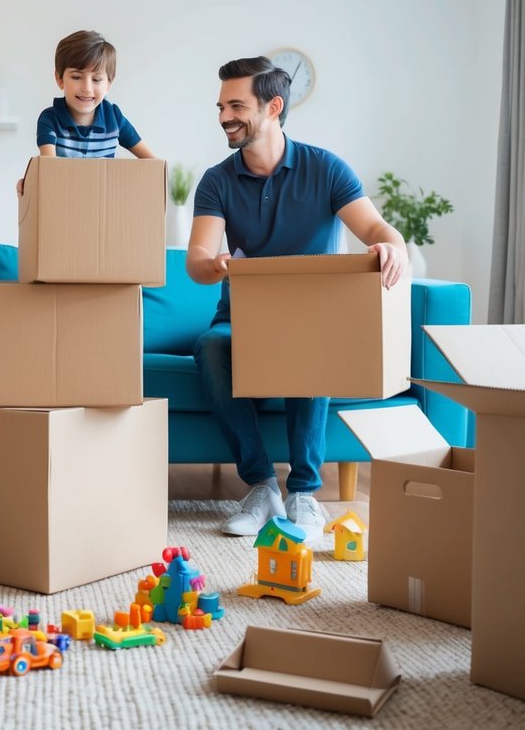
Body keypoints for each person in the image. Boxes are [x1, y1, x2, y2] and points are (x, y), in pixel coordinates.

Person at [186, 56, 408, 541]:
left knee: (313, 342)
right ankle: (262, 486)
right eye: (221, 106)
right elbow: (198, 257)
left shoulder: (325, 169)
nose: (224, 116)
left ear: (273, 107)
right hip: (242, 322)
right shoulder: (217, 180)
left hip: (313, 322)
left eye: (236, 105)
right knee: (210, 346)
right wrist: (217, 264)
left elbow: (374, 227)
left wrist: (392, 245)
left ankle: (304, 492)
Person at [36, 29, 155, 160]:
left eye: (97, 80)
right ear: (60, 79)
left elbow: (154, 164)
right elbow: (48, 170)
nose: (87, 89)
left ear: (108, 84)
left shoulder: (114, 118)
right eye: (76, 77)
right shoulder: (50, 120)